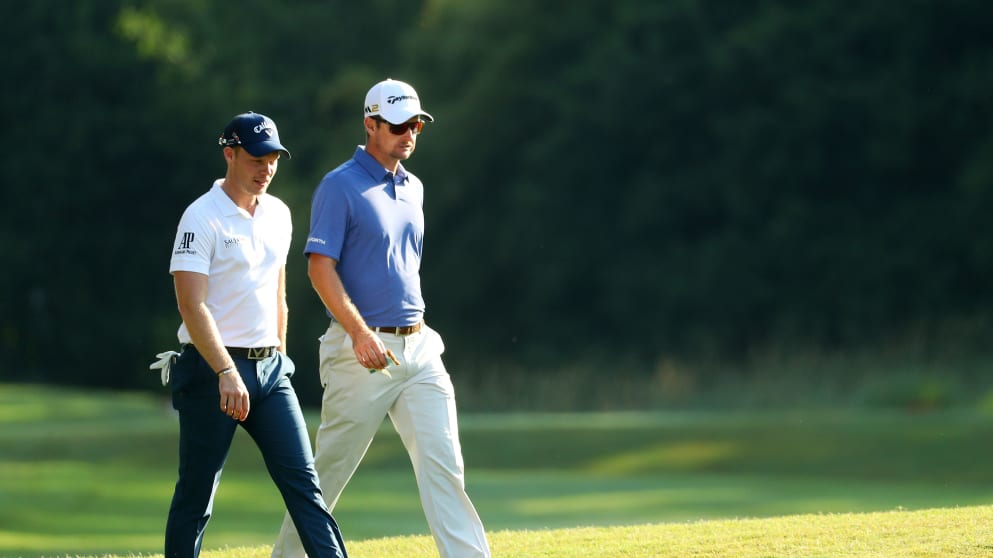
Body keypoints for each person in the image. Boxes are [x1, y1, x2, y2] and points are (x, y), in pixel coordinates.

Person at [270, 79, 491, 558]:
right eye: (397, 125)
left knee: (445, 466)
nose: (408, 133)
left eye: (415, 124)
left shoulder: (414, 187)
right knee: (328, 473)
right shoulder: (339, 186)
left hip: (420, 347)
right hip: (359, 351)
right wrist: (359, 333)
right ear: (370, 124)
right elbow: (318, 267)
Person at [159, 112, 348, 558]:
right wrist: (225, 370)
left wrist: (280, 356)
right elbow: (191, 303)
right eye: (256, 158)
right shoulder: (201, 217)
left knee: (306, 488)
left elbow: (277, 289)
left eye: (273, 159)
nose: (266, 168)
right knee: (198, 495)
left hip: (270, 371)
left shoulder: (279, 214)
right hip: (214, 371)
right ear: (230, 153)